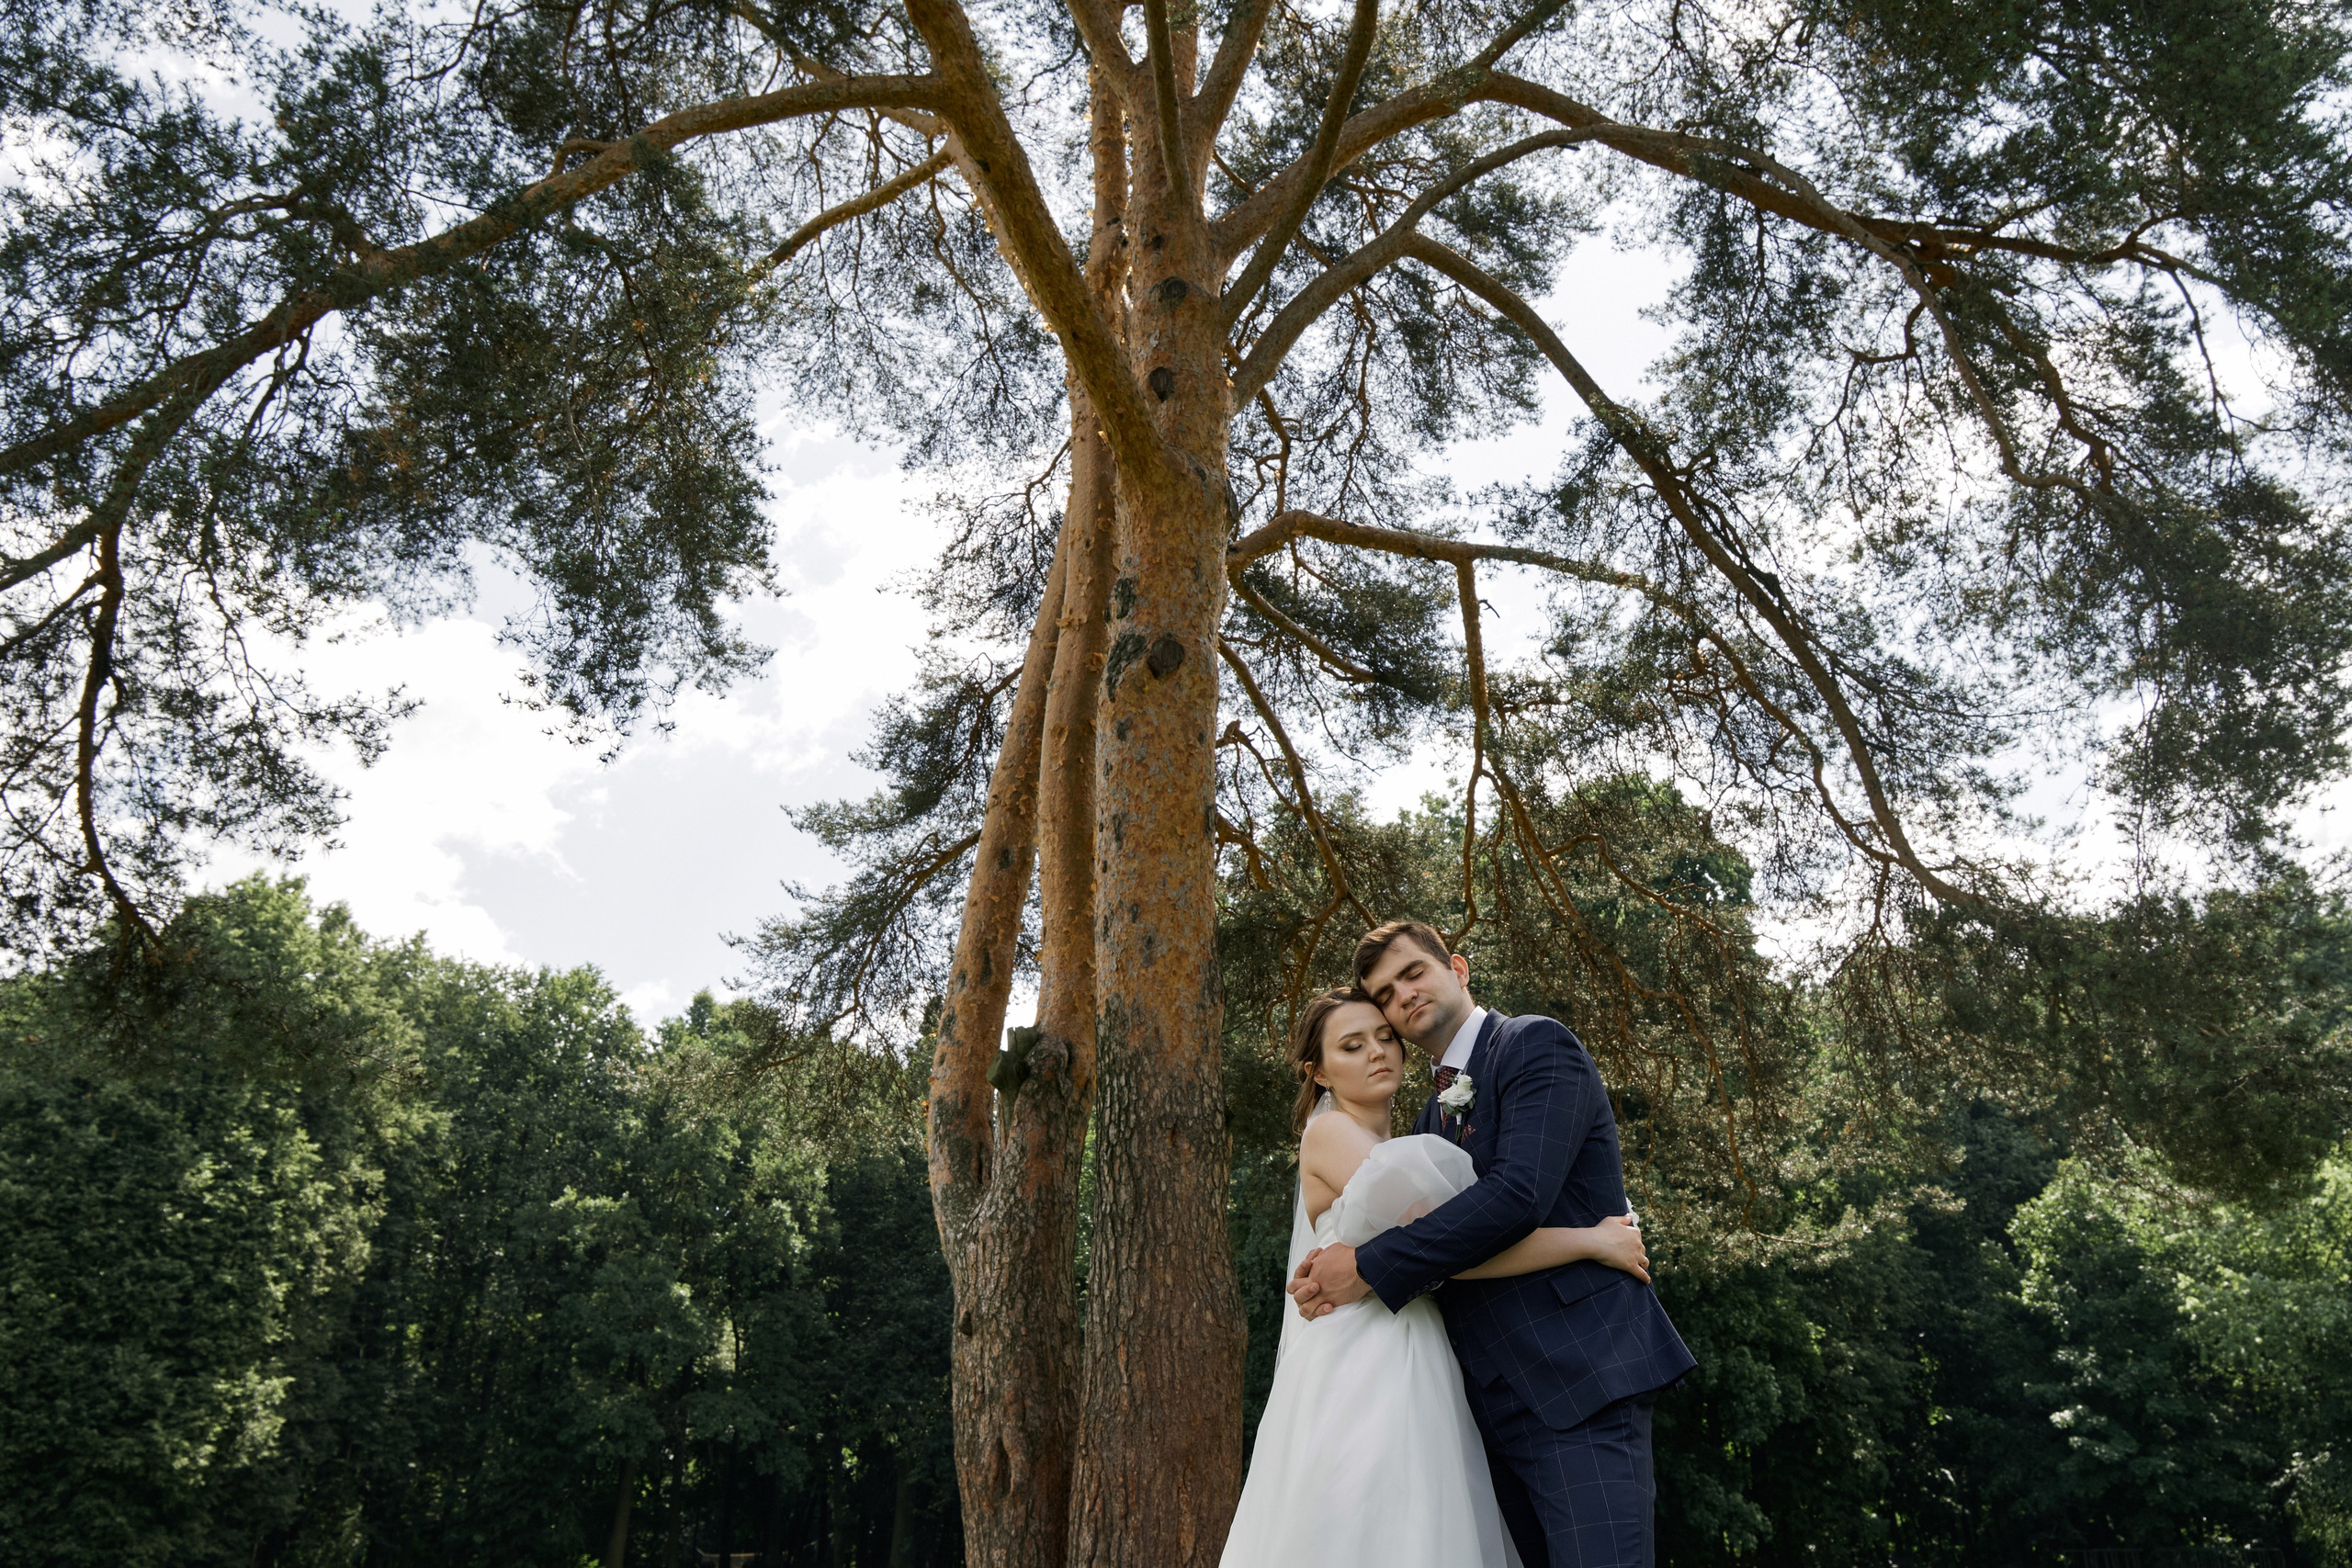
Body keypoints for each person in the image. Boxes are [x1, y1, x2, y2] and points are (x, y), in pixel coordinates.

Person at [1289, 921, 1696, 1568]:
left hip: (1574, 1377)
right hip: (1475, 1404)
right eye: (1388, 993)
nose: (1404, 996)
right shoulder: (1428, 1118)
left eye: (1413, 972)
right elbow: (1439, 1246)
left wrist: (1366, 1264)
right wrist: (1588, 1240)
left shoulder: (1534, 1044)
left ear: (1457, 966)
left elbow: (1515, 1196)